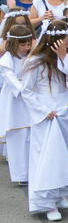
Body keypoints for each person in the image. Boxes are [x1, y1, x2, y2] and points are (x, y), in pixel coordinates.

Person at [20, 20, 68, 221]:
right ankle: (45, 201)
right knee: (46, 156)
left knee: (62, 154)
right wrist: (43, 110)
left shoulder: (65, 57)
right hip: (46, 113)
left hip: (64, 111)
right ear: (56, 41)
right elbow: (26, 91)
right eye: (66, 40)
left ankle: (58, 192)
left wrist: (63, 58)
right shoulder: (34, 61)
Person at [0, 24, 34, 184]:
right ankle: (20, 175)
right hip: (14, 101)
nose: (26, 48)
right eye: (23, 44)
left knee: (29, 136)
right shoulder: (6, 59)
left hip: (29, 100)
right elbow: (11, 79)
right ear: (14, 43)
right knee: (17, 137)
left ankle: (31, 171)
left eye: (28, 44)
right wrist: (25, 89)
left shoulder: (30, 57)